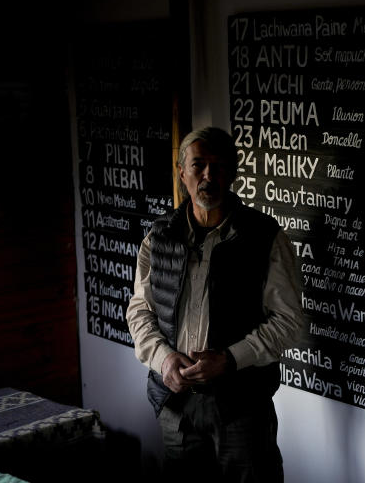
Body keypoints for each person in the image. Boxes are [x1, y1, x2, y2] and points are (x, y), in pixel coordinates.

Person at [126, 126, 305, 482]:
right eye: (199, 165)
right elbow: (140, 311)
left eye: (219, 165)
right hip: (176, 406)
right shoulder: (158, 238)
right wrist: (163, 359)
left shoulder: (263, 236)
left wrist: (230, 359)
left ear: (233, 173)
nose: (209, 175)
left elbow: (289, 322)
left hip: (241, 408)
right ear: (182, 173)